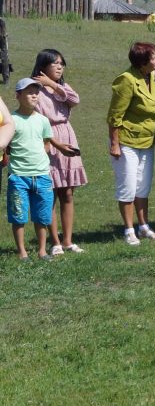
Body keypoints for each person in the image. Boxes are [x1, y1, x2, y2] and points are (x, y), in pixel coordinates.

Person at [6, 78, 77, 261]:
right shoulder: (11, 121)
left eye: (36, 92)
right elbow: (7, 146)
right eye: (29, 92)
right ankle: (22, 252)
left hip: (42, 176)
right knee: (18, 216)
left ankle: (42, 251)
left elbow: (46, 143)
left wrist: (40, 158)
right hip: (19, 176)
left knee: (42, 216)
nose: (34, 95)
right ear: (18, 96)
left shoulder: (43, 120)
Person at [31, 49, 86, 255]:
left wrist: (53, 85)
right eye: (54, 63)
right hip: (48, 139)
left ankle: (68, 241)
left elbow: (75, 100)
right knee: (50, 193)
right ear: (43, 66)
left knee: (68, 193)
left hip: (67, 134)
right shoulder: (34, 88)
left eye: (61, 63)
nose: (59, 66)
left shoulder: (61, 87)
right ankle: (54, 242)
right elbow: (36, 120)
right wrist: (55, 144)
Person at [107, 42, 155, 245]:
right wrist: (115, 144)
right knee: (128, 187)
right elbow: (115, 116)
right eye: (153, 58)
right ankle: (129, 230)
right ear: (142, 63)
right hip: (126, 142)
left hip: (147, 141)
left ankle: (144, 226)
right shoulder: (126, 80)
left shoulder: (153, 76)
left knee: (143, 186)